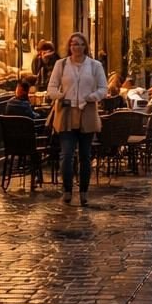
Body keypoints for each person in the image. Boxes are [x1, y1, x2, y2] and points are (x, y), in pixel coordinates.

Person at [46, 33, 107, 206]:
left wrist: (92, 97)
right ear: (69, 46)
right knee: (67, 154)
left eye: (80, 44)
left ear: (85, 46)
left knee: (85, 156)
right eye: (73, 44)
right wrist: (60, 95)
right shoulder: (61, 64)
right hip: (66, 112)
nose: (76, 47)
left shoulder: (95, 66)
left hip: (87, 111)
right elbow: (52, 87)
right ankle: (67, 190)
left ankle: (84, 192)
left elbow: (103, 88)